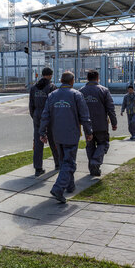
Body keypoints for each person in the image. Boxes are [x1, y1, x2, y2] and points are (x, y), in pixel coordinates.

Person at [40, 71, 92, 204]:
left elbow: (45, 115)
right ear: (72, 81)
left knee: (64, 161)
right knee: (70, 163)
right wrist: (88, 132)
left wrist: (42, 132)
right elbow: (84, 116)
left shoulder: (52, 95)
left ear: (61, 80)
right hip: (71, 134)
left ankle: (70, 186)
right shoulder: (76, 95)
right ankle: (58, 188)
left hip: (57, 135)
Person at [79, 70, 117, 177]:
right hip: (101, 125)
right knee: (103, 144)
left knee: (90, 146)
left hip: (87, 125)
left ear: (87, 78)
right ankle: (95, 162)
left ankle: (93, 169)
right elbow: (110, 108)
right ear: (97, 78)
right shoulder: (104, 90)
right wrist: (114, 122)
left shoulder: (81, 91)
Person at [29, 67, 60, 176]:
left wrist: (35, 117)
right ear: (51, 75)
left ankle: (38, 168)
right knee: (53, 140)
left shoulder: (34, 88)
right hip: (49, 116)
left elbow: (31, 105)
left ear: (42, 74)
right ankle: (58, 163)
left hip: (37, 116)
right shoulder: (52, 87)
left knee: (38, 142)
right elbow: (54, 104)